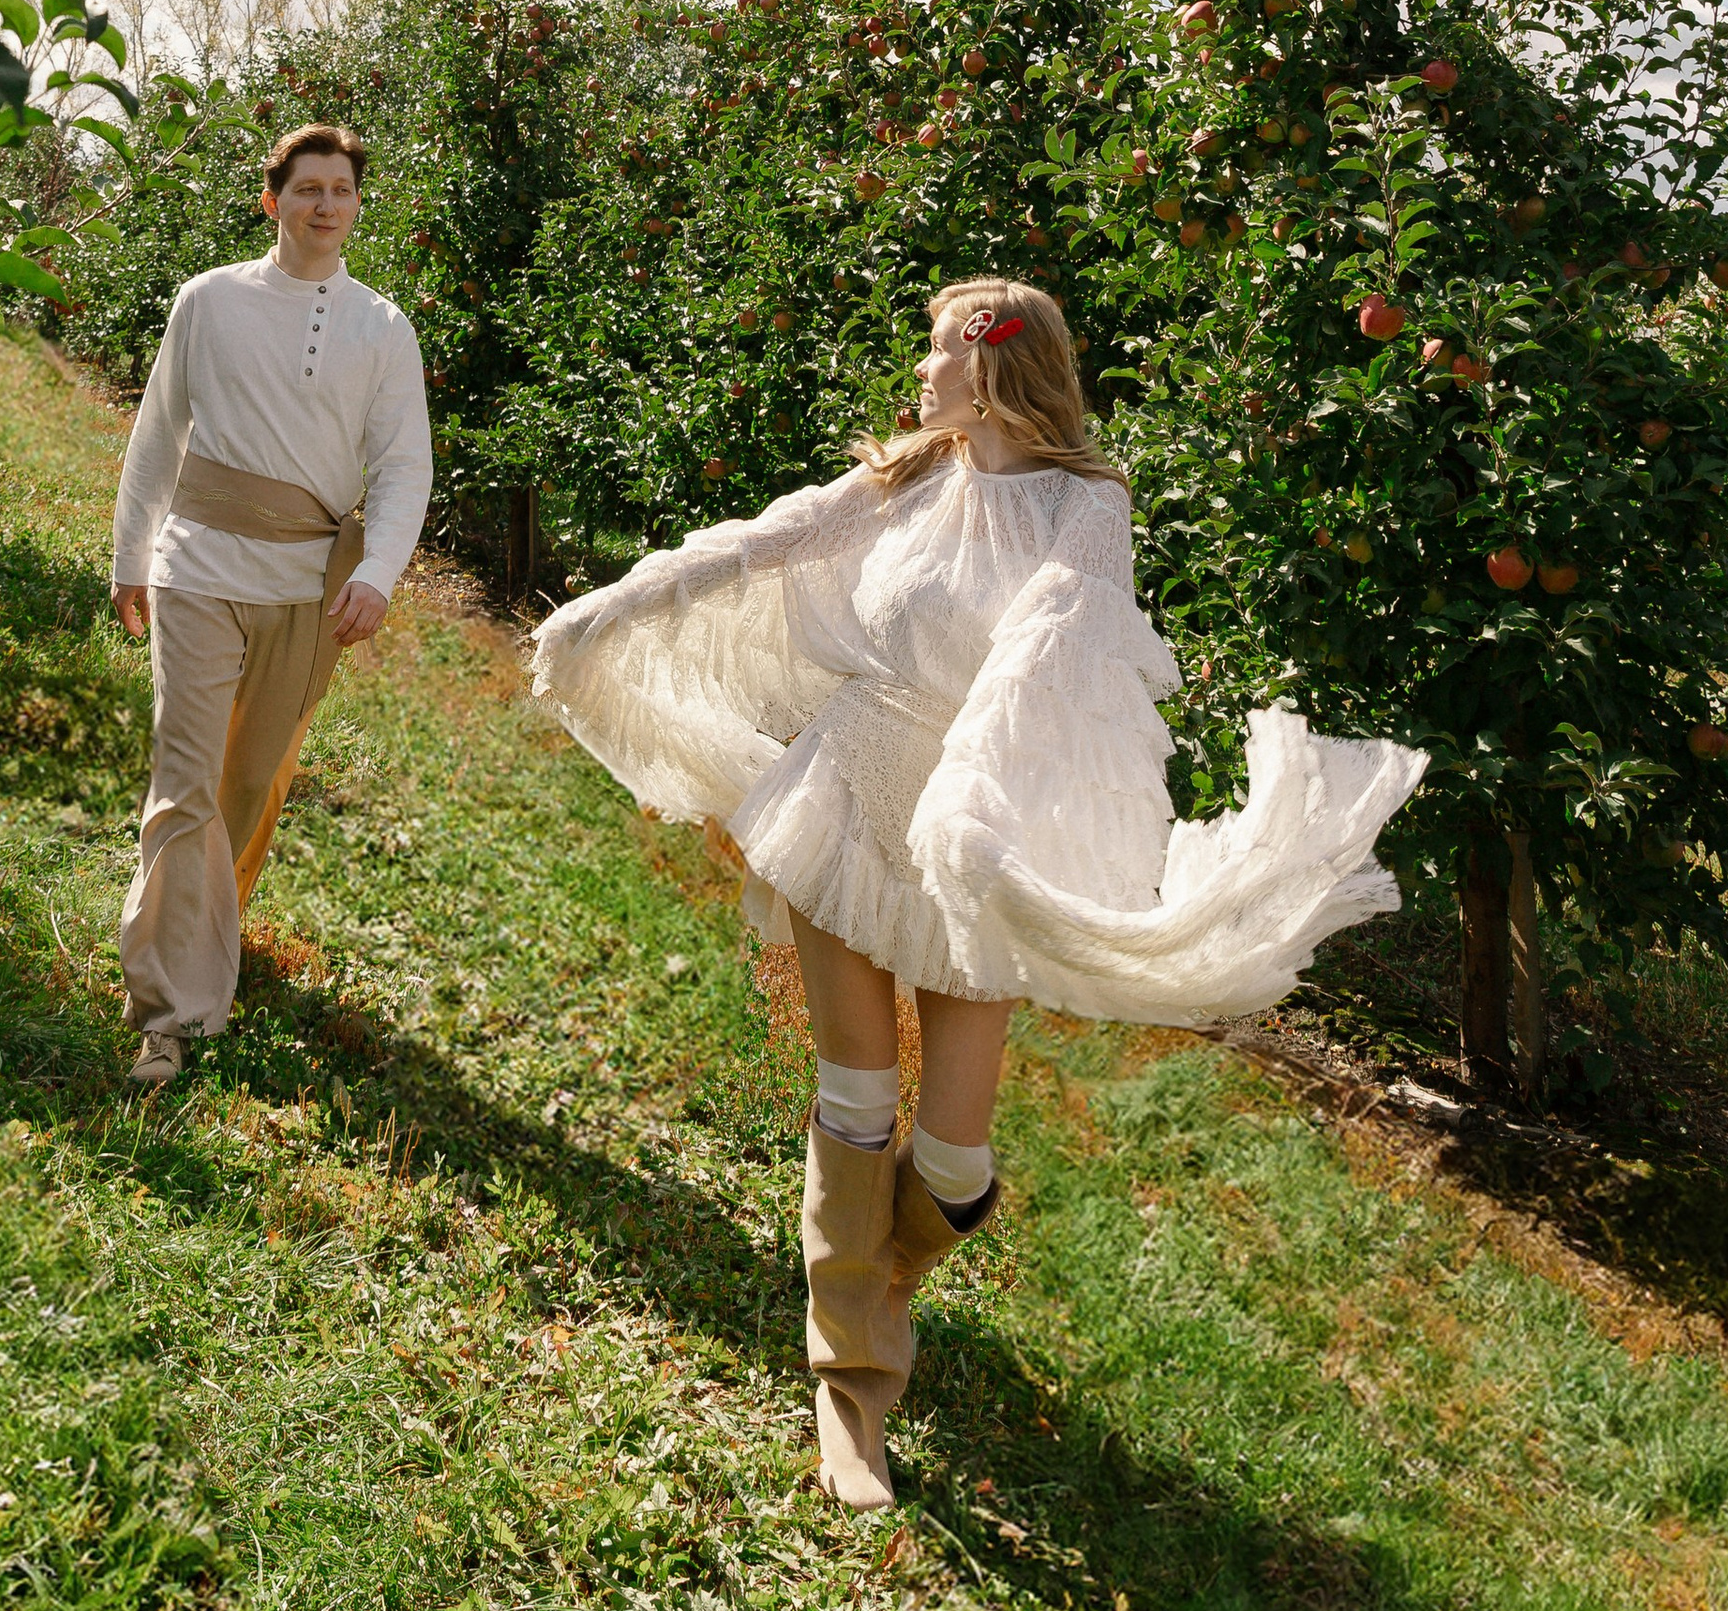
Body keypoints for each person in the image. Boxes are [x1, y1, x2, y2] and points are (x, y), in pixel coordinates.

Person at [531, 275, 1423, 1510]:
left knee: (951, 1166)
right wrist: (608, 611)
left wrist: (972, 800)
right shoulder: (905, 478)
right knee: (854, 1095)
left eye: (938, 351)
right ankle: (850, 1389)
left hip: (971, 827)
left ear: (994, 366)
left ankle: (873, 1277)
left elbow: (1045, 640)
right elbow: (765, 542)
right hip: (845, 795)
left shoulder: (1084, 505)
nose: (920, 372)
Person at [110, 120, 432, 1098]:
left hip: (308, 590)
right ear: (272, 200)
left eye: (340, 189)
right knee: (187, 781)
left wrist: (377, 568)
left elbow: (404, 460)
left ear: (355, 205)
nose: (324, 204)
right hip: (198, 572)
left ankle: (202, 934)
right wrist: (132, 555)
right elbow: (159, 434)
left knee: (249, 786)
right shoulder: (209, 301)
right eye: (306, 188)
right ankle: (167, 1010)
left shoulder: (381, 327)